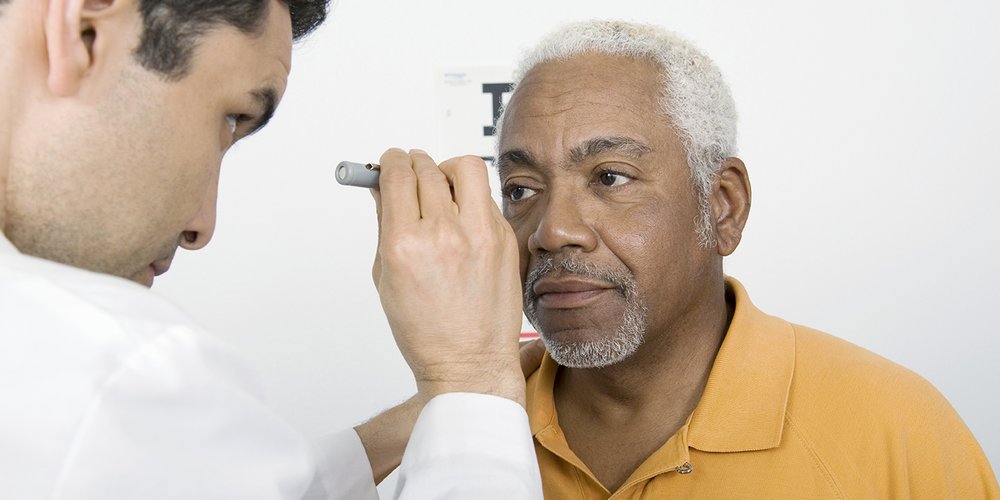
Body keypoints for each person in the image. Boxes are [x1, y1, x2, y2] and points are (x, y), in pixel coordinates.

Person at [0, 0, 542, 498]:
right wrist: (474, 379)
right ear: (84, 30)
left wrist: (436, 408)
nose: (201, 225)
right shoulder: (112, 369)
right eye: (230, 117)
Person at [495, 20, 999, 498]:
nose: (551, 230)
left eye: (610, 177)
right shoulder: (465, 431)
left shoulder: (899, 428)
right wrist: (451, 411)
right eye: (520, 189)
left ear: (722, 207)